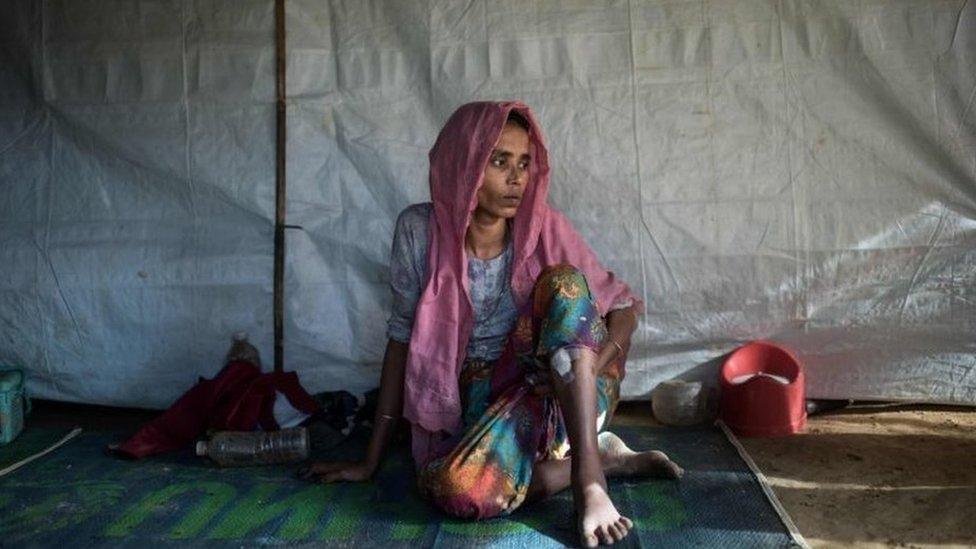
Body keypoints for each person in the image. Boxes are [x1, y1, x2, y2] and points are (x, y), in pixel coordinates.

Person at [301, 101, 682, 547]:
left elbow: (623, 309)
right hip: (476, 404)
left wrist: (587, 372)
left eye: (523, 163)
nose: (516, 178)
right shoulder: (418, 232)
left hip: (564, 388)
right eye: (499, 161)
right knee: (454, 491)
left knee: (564, 282)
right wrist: (370, 461)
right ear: (462, 162)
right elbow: (401, 336)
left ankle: (590, 480)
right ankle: (606, 457)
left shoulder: (545, 228)